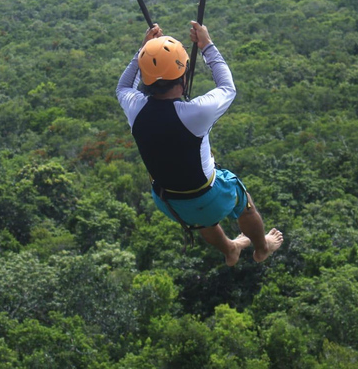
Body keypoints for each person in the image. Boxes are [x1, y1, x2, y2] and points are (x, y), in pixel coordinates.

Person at [116, 21, 283, 266]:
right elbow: (227, 87)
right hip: (208, 198)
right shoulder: (195, 113)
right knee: (241, 200)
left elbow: (123, 85)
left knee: (202, 216)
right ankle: (262, 246)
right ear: (183, 78)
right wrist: (206, 45)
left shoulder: (135, 108)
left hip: (168, 202)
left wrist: (144, 53)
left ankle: (230, 249)